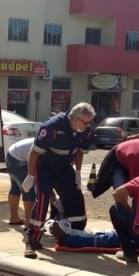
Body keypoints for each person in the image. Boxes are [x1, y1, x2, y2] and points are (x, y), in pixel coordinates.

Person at [21, 102, 95, 259]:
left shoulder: (86, 131)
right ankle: (32, 239)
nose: (88, 126)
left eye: (90, 122)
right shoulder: (53, 126)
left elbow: (80, 152)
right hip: (45, 167)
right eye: (85, 122)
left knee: (75, 196)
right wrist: (30, 175)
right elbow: (34, 153)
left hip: (64, 167)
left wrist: (78, 172)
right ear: (74, 119)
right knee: (42, 198)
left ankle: (76, 234)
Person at [5, 138, 35, 226]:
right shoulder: (49, 145)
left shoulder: (46, 139)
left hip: (11, 154)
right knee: (28, 190)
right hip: (19, 158)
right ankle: (29, 223)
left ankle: (14, 218)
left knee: (15, 188)